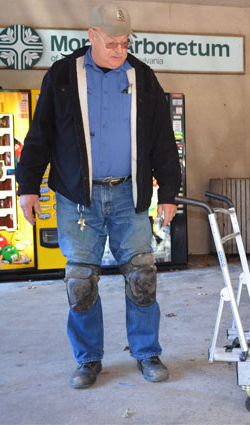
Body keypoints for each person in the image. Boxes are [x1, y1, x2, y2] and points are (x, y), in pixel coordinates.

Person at [16, 2, 181, 389]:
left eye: (125, 42)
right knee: (81, 281)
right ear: (91, 36)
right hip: (77, 198)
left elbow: (162, 141)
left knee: (142, 277)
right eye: (111, 43)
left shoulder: (142, 76)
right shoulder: (61, 75)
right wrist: (27, 186)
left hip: (128, 194)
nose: (119, 50)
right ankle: (88, 359)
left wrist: (169, 193)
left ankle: (146, 353)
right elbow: (40, 134)